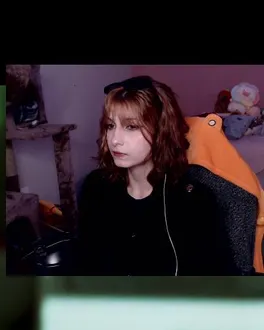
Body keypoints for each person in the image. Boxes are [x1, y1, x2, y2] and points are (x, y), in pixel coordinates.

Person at [76, 75, 240, 275]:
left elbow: (219, 280)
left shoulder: (193, 201)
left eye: (131, 127)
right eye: (110, 126)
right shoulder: (95, 187)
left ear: (162, 130)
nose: (115, 140)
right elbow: (85, 266)